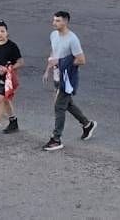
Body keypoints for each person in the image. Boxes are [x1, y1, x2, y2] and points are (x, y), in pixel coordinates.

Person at [42, 11, 96, 151]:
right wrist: (48, 69)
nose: (54, 23)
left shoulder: (73, 39)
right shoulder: (53, 35)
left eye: (58, 21)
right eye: (54, 20)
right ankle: (87, 124)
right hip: (56, 75)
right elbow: (54, 53)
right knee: (68, 104)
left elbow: (81, 60)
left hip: (67, 79)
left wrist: (60, 62)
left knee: (59, 106)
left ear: (65, 22)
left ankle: (56, 139)